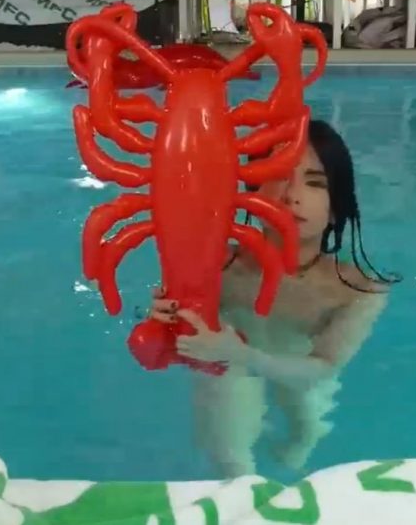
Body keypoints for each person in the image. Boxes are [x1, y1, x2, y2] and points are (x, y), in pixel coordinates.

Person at [148, 119, 398, 477]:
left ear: (335, 207)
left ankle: (301, 440)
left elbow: (324, 366)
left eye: (315, 183)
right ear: (252, 194)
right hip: (227, 358)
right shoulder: (215, 265)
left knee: (306, 417)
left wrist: (245, 354)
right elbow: (170, 339)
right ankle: (239, 482)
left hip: (297, 363)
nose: (292, 195)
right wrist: (163, 318)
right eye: (279, 177)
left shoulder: (357, 289)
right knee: (224, 412)